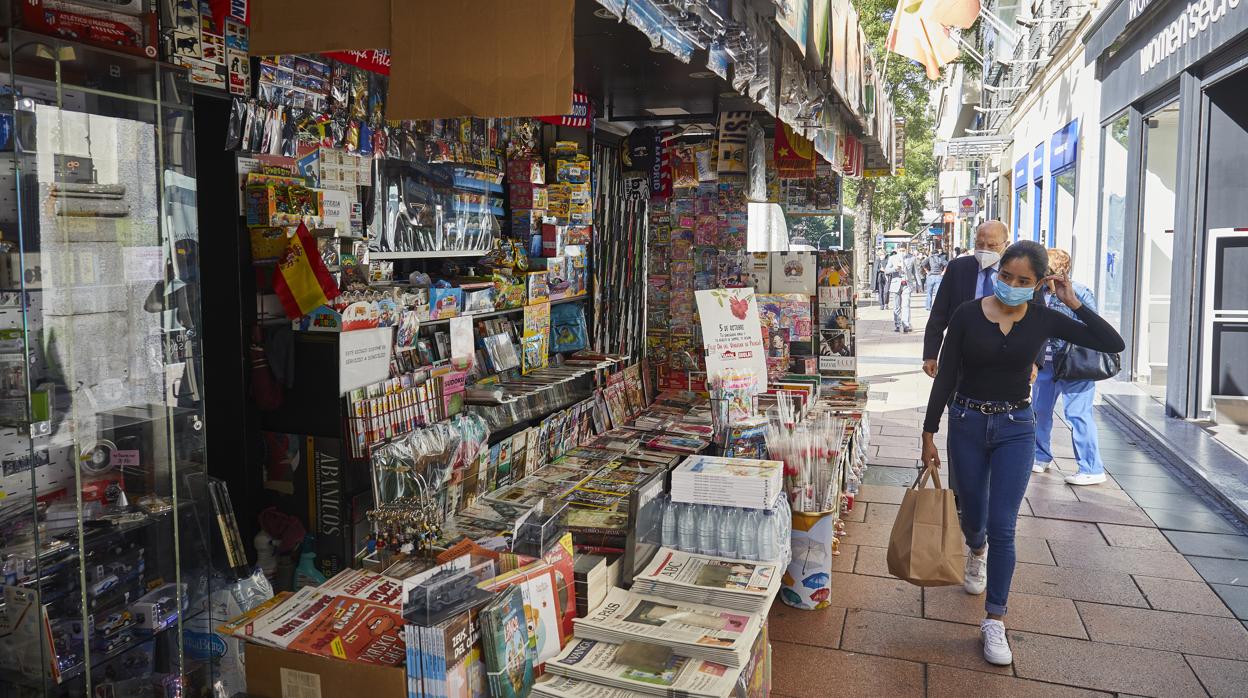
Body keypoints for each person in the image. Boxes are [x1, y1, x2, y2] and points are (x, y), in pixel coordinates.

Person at [920, 241, 1124, 666]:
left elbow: (1112, 342)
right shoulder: (967, 315)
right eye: (1006, 276)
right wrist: (928, 432)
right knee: (972, 516)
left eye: (1023, 281)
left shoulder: (1045, 317)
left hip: (1016, 427)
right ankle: (976, 552)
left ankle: (995, 620)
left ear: (1038, 284)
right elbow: (947, 375)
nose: (1011, 285)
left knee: (1005, 526)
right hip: (967, 422)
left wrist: (1074, 303)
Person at [1032, 249, 1108, 485]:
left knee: (1078, 415)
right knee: (1039, 411)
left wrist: (1067, 300)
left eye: (1048, 269)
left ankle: (1091, 467)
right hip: (1045, 364)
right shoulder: (1037, 292)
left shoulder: (1079, 291)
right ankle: (1039, 456)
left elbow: (1092, 325)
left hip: (1074, 364)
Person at [885, 244, 921, 332]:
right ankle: (897, 324)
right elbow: (886, 270)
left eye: (903, 250)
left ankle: (906, 324)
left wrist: (919, 285)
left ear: (906, 249)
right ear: (897, 250)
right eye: (900, 250)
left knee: (906, 304)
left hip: (907, 284)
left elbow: (916, 272)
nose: (902, 252)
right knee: (897, 306)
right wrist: (895, 268)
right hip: (896, 284)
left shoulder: (912, 258)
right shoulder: (892, 258)